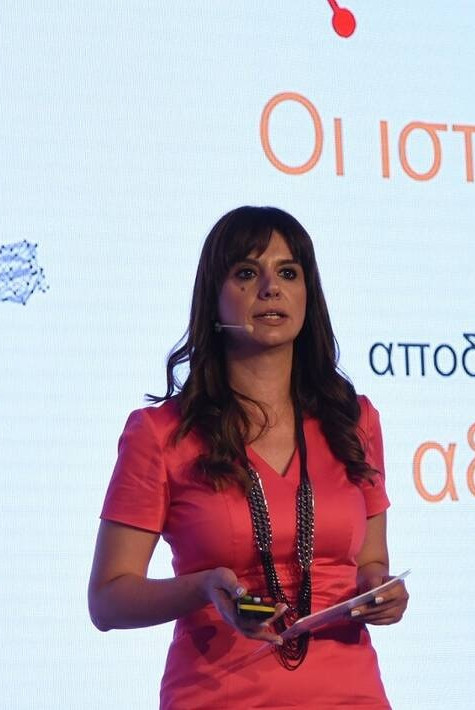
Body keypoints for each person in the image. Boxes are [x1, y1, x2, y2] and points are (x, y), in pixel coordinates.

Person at [88, 206, 408, 708]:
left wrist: (380, 591)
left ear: (308, 295)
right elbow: (108, 600)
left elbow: (370, 560)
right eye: (246, 273)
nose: (271, 288)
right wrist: (203, 589)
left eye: (288, 273)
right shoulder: (161, 433)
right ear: (213, 297)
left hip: (352, 694)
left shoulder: (355, 420)